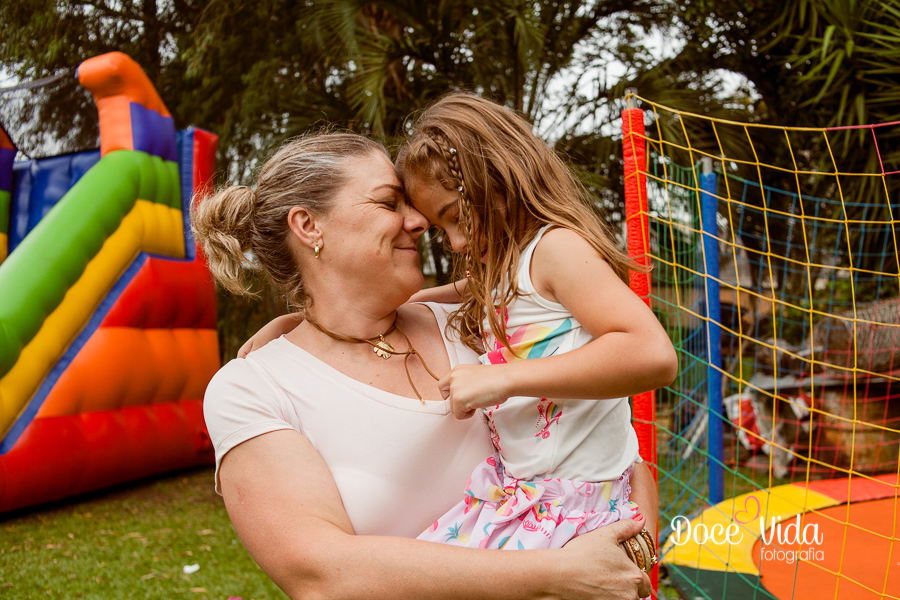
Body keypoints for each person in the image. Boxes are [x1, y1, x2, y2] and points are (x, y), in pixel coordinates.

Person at [194, 131, 656, 600]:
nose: (418, 221)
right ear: (309, 225)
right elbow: (321, 574)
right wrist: (558, 572)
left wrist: (633, 534)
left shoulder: (471, 322)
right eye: (389, 202)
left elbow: (591, 430)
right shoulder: (256, 386)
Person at [392, 92, 677, 558]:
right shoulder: (505, 271)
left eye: (458, 218)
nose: (458, 242)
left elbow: (653, 354)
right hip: (527, 499)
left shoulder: (555, 250)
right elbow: (422, 302)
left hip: (575, 512)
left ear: (500, 180)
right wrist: (295, 325)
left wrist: (503, 377)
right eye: (443, 231)